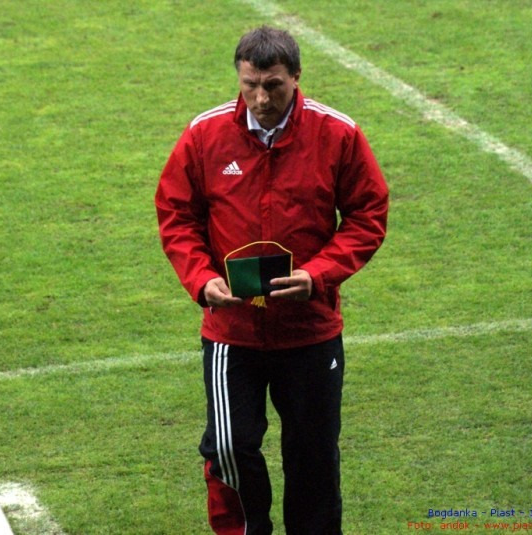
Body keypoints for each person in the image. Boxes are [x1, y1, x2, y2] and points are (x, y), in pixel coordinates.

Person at [155, 26, 389, 534]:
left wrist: (317, 275)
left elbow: (368, 214)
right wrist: (201, 279)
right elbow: (176, 214)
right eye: (250, 85)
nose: (261, 99)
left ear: (296, 77)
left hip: (309, 329)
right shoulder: (204, 134)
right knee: (228, 447)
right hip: (232, 332)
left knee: (313, 456)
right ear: (239, 78)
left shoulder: (337, 133)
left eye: (273, 86)